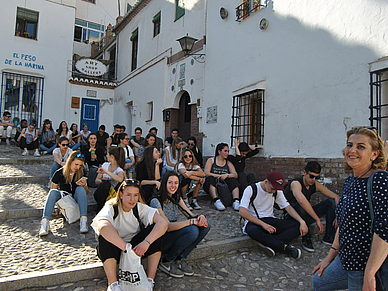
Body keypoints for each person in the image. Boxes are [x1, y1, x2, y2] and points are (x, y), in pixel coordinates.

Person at [312, 126, 388, 291]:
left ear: (374, 154)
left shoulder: (380, 179)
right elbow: (344, 222)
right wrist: (329, 257)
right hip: (345, 260)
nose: (352, 150)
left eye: (361, 146)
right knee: (318, 282)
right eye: (349, 145)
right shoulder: (351, 181)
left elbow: (384, 229)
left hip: (364, 267)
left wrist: (369, 273)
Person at [91, 179, 168, 291]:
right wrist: (126, 248)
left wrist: (146, 243)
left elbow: (163, 223)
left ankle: (150, 281)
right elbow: (103, 226)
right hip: (117, 247)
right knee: (104, 237)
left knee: (157, 233)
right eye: (129, 195)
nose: (132, 199)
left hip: (136, 247)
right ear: (121, 194)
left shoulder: (139, 208)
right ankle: (113, 284)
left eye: (135, 195)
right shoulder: (111, 208)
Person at [150, 171, 210, 278]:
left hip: (174, 233)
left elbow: (190, 215)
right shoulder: (156, 201)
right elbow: (167, 227)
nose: (173, 186)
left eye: (176, 183)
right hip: (162, 237)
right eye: (170, 183)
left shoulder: (176, 198)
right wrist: (191, 222)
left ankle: (180, 258)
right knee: (192, 230)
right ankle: (167, 260)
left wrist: (200, 217)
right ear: (164, 183)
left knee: (206, 226)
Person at [239, 171, 308, 259]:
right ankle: (284, 247)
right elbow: (242, 211)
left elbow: (287, 207)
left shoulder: (276, 191)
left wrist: (302, 221)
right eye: (272, 188)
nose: (274, 191)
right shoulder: (251, 189)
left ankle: (270, 243)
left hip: (270, 220)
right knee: (252, 231)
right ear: (266, 182)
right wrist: (264, 225)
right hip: (255, 221)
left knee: (297, 226)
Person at [284, 161, 339, 252]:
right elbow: (301, 200)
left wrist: (338, 215)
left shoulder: (314, 185)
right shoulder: (296, 183)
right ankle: (306, 238)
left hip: (305, 214)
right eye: (311, 176)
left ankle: (329, 236)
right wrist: (317, 219)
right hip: (292, 215)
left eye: (317, 177)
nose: (313, 179)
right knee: (300, 206)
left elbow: (336, 197)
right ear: (304, 173)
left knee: (331, 202)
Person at [39, 151, 89, 236]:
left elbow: (86, 193)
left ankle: (83, 220)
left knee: (80, 189)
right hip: (64, 197)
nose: (78, 167)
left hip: (76, 197)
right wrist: (54, 207)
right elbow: (53, 189)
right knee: (53, 192)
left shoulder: (81, 172)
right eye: (76, 164)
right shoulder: (59, 172)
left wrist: (85, 185)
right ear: (70, 162)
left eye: (80, 165)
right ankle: (45, 222)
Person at [203, 143, 240, 211]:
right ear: (219, 151)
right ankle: (216, 200)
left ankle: (236, 201)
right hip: (212, 183)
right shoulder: (211, 160)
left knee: (233, 180)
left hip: (223, 184)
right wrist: (218, 176)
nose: (227, 153)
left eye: (228, 151)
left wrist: (227, 175)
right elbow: (206, 173)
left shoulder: (228, 163)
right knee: (210, 179)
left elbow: (235, 174)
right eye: (225, 151)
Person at [94, 147, 126, 213]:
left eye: (107, 154)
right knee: (105, 184)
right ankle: (99, 209)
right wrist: (102, 181)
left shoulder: (119, 170)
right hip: (101, 193)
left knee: (108, 184)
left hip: (112, 195)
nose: (106, 156)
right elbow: (97, 180)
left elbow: (120, 179)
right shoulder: (105, 165)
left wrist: (106, 172)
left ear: (112, 156)